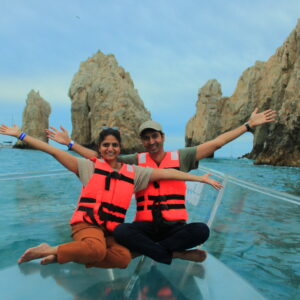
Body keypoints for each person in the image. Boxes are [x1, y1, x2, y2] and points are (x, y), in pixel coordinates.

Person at [45, 108, 276, 264]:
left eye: (155, 136)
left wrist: (247, 125)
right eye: (146, 138)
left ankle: (153, 249)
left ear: (162, 137)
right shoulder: (136, 162)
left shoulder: (182, 157)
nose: (151, 141)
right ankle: (173, 254)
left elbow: (217, 142)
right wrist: (71, 144)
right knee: (122, 230)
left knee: (201, 230)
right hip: (145, 227)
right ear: (142, 141)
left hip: (174, 227)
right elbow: (101, 158)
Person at [0, 125, 222, 267]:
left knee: (123, 259)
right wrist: (21, 135)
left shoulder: (133, 172)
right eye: (106, 145)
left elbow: (168, 172)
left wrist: (200, 179)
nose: (110, 149)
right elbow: (52, 151)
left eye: (115, 145)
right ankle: (51, 250)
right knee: (99, 247)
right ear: (100, 148)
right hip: (87, 225)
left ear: (120, 149)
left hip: (111, 231)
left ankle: (63, 255)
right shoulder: (87, 167)